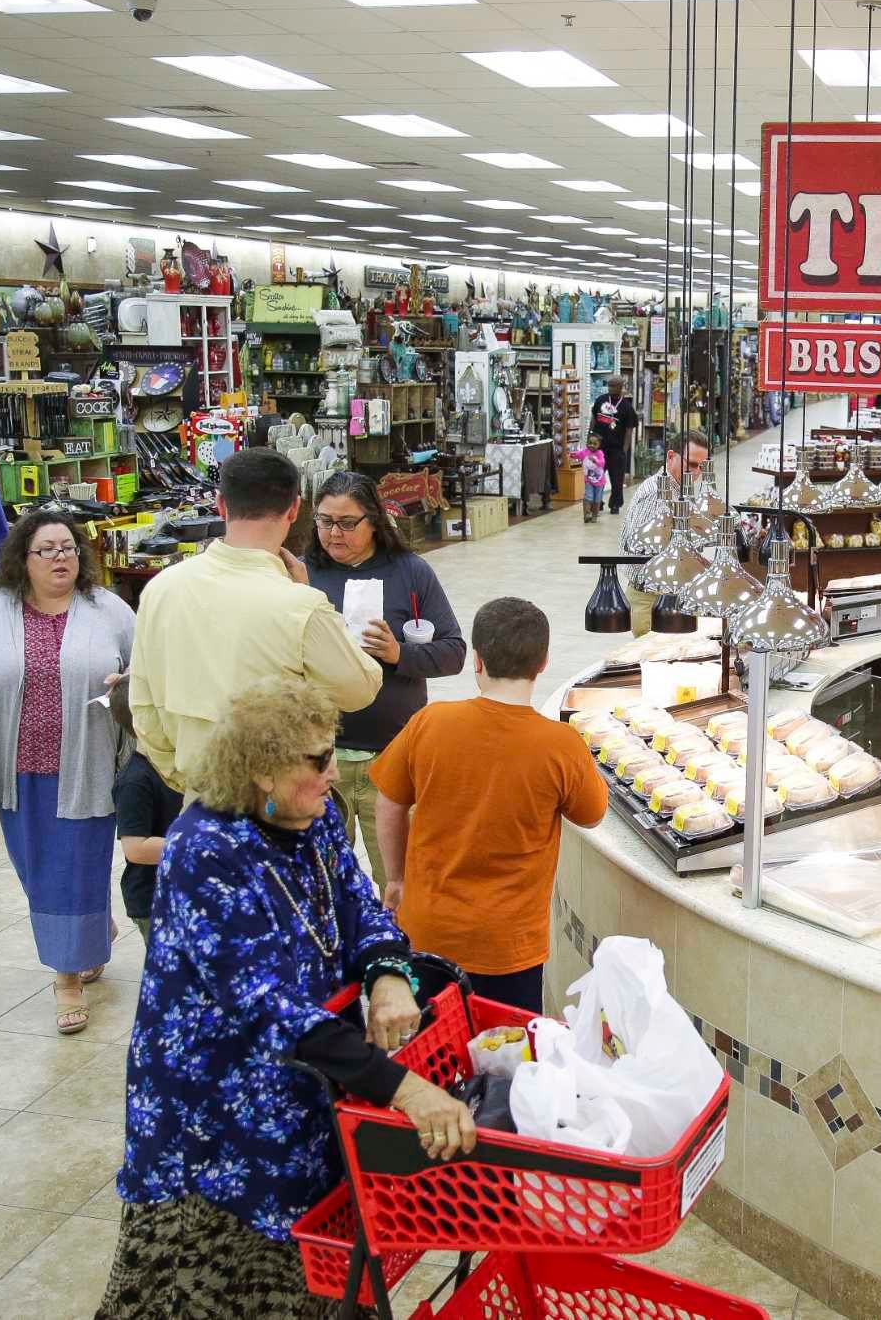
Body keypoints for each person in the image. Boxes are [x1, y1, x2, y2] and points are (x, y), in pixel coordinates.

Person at [99, 678, 472, 1320]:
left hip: (303, 1087)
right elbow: (263, 1004)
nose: (334, 773)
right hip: (214, 1115)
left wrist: (388, 976)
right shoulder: (203, 850)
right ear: (261, 772)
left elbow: (361, 906)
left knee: (319, 1267)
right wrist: (404, 1089)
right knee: (203, 1284)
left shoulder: (314, 814)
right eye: (319, 759)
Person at [0, 513, 133, 1034]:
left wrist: (127, 686)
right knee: (36, 871)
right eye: (46, 549)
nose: (60, 558)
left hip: (87, 768)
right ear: (22, 559)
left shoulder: (109, 610)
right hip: (16, 771)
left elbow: (145, 671)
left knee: (74, 870)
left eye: (68, 548)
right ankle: (88, 930)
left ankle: (66, 978)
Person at [373, 598, 608, 1012]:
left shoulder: (431, 722)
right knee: (505, 1061)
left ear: (475, 662)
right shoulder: (560, 745)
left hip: (430, 932)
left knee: (435, 1051)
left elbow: (389, 802)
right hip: (509, 945)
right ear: (543, 663)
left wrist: (396, 879)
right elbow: (591, 815)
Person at [127, 448, 382, 794]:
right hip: (284, 812)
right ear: (294, 509)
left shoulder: (161, 589)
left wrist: (189, 779)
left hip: (202, 800)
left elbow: (142, 708)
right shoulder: (300, 605)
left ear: (220, 505)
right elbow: (360, 689)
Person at [304, 472, 468, 888]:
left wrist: (401, 654)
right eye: (324, 521)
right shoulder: (304, 576)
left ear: (374, 520)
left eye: (346, 523)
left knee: (401, 883)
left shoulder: (410, 573)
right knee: (323, 885)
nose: (333, 533)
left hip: (394, 755)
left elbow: (453, 653)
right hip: (322, 759)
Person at [109, 679, 179, 951]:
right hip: (153, 900)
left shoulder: (177, 767)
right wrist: (197, 844)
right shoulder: (135, 781)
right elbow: (136, 849)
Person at [620, 429, 711, 636]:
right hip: (651, 601)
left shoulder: (679, 490)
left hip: (669, 599)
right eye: (692, 464)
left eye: (702, 467)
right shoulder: (657, 494)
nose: (696, 473)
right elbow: (643, 550)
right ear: (671, 456)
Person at [588, 374, 639, 516]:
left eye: (612, 385)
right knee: (596, 476)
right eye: (608, 385)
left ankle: (615, 504)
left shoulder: (627, 407)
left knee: (617, 479)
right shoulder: (601, 400)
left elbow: (629, 431)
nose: (609, 388)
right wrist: (590, 437)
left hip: (616, 448)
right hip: (599, 447)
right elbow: (594, 419)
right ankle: (597, 502)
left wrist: (624, 450)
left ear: (620, 387)